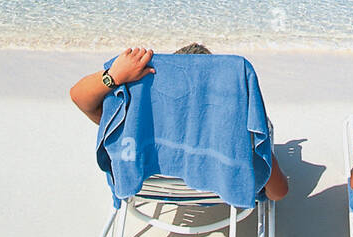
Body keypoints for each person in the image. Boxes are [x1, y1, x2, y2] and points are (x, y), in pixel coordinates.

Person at [70, 44, 289, 200]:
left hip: (148, 186)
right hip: (221, 188)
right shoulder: (234, 143)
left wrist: (114, 76)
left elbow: (79, 97)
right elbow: (278, 192)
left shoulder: (136, 127)